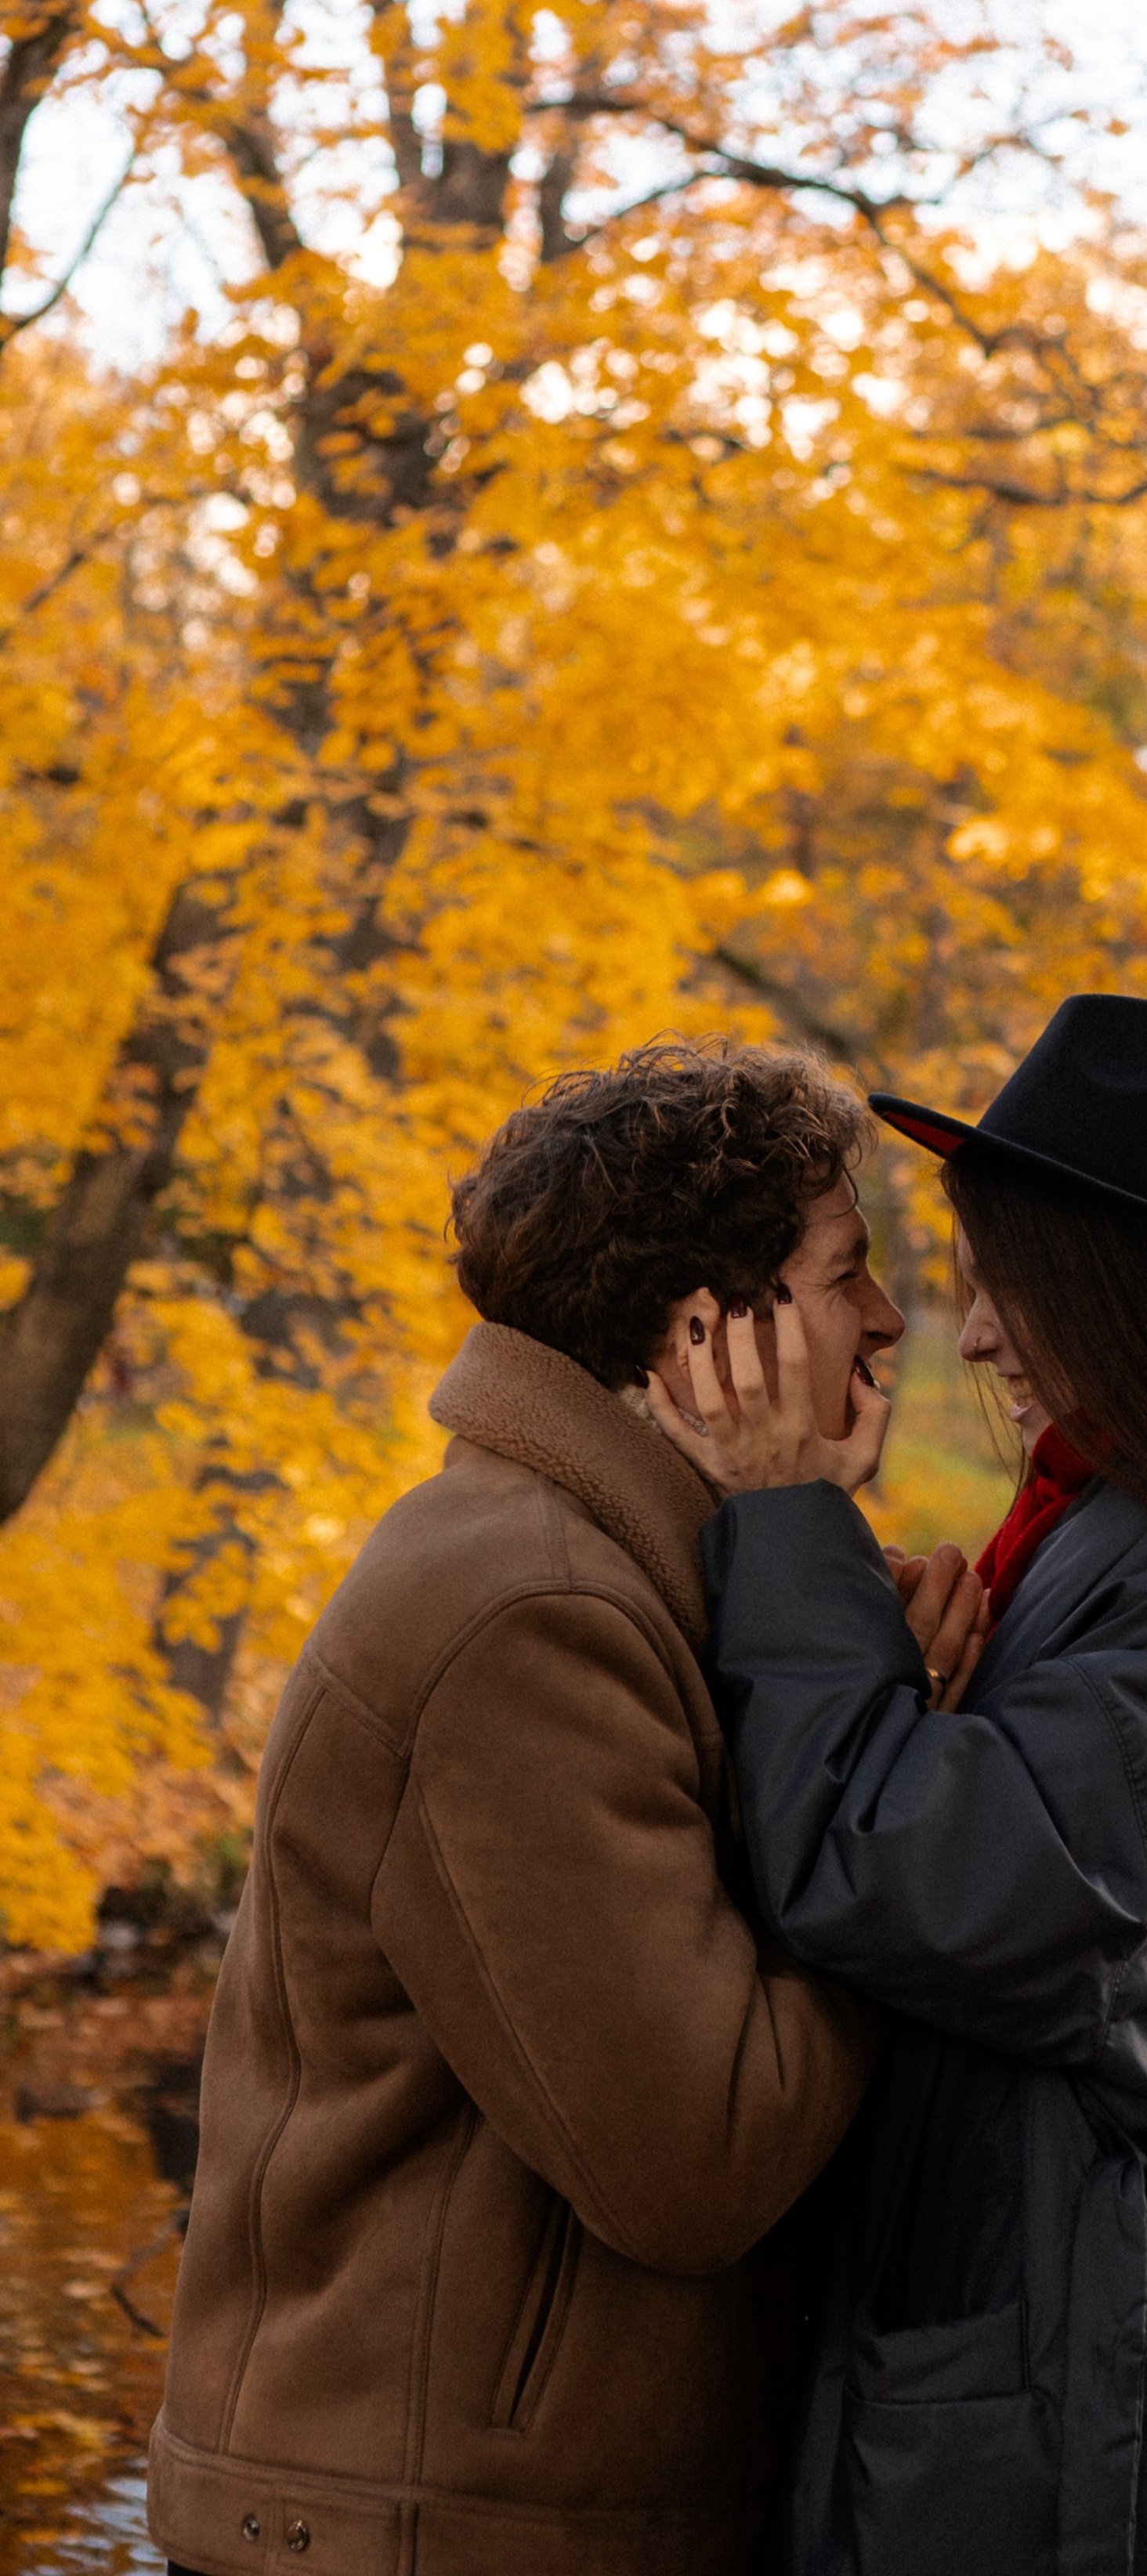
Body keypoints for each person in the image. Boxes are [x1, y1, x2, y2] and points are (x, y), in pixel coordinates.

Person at [149, 1039, 978, 2576]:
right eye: (842, 1273)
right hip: (424, 2534)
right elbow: (700, 2157)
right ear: (701, 1336)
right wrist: (888, 1803)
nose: (885, 1319)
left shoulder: (615, 1571)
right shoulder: (525, 1612)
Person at [666, 993, 1147, 2576]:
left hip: (1141, 2454)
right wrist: (917, 1696)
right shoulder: (1142, 1546)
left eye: (1001, 1283)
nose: (965, 1335)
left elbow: (892, 1875)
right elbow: (1007, 1855)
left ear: (1132, 1297)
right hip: (1130, 2409)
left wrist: (783, 1528)